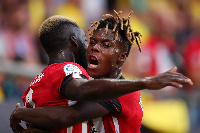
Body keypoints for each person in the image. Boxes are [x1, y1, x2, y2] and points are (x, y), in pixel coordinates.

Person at [10, 12, 193, 133]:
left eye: (106, 45)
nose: (95, 48)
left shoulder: (120, 93)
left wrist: (21, 114)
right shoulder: (88, 84)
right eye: (93, 42)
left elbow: (67, 116)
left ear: (121, 58)